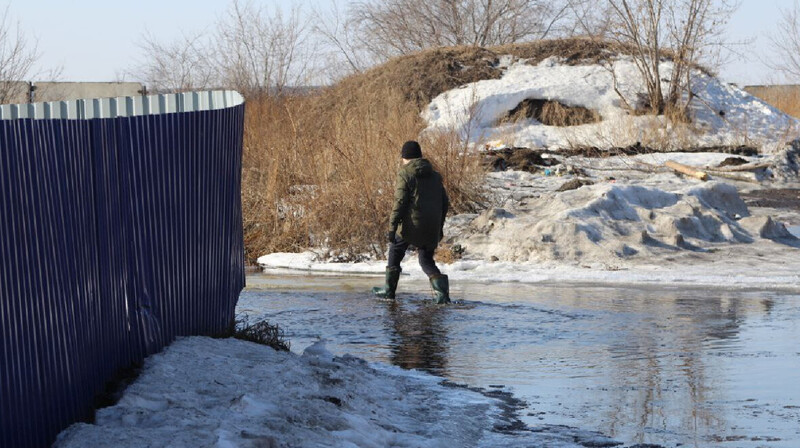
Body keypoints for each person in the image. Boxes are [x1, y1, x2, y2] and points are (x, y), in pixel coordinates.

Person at [372, 140, 450, 304]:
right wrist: (439, 227)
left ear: (404, 157)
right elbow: (445, 203)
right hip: (431, 226)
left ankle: (389, 291)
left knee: (395, 251)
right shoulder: (435, 176)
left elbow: (399, 202)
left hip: (411, 226)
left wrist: (392, 227)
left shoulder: (405, 174)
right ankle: (442, 295)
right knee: (426, 260)